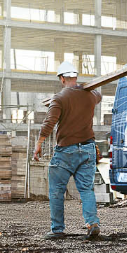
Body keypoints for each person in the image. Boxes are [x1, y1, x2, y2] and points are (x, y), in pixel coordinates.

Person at [34, 60, 102, 241]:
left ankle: (57, 230)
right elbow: (99, 95)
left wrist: (39, 143)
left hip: (66, 151)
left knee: (57, 191)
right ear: (76, 77)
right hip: (87, 149)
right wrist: (87, 88)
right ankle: (92, 223)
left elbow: (49, 123)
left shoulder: (59, 98)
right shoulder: (90, 96)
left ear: (62, 79)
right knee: (86, 189)